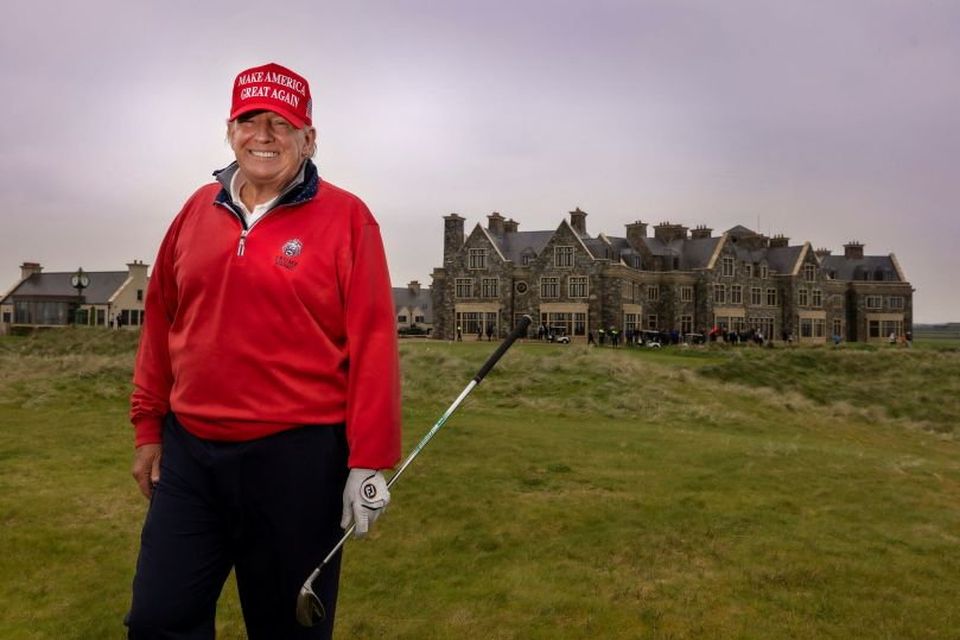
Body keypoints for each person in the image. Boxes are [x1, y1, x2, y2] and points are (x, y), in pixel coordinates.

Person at [125, 63, 401, 639]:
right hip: (191, 457)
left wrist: (369, 459)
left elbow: (373, 340)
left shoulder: (349, 218)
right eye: (252, 121)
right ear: (231, 131)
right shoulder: (196, 210)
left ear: (309, 139)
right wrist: (149, 427)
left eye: (283, 123)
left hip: (297, 462)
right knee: (158, 620)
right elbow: (160, 322)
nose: (265, 136)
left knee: (287, 629)